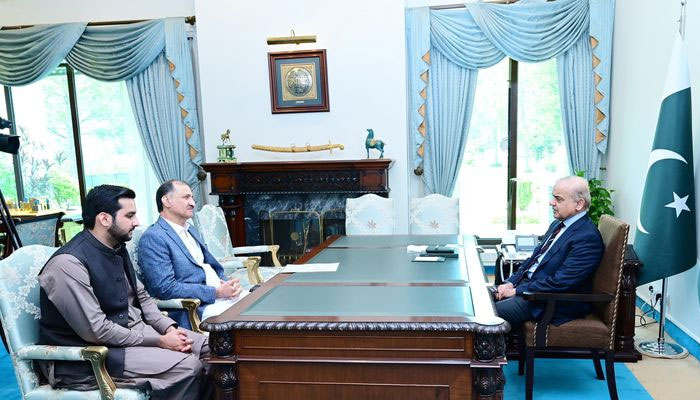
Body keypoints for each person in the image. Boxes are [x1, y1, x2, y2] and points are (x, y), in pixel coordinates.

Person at [38, 185, 210, 400]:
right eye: (129, 215)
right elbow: (96, 330)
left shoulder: (117, 246)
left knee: (212, 349)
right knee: (188, 366)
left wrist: (168, 329)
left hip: (133, 337)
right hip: (91, 356)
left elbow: (143, 297)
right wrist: (160, 341)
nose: (136, 222)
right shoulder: (68, 263)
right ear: (104, 219)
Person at [494, 175, 605, 329]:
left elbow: (561, 282)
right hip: (532, 288)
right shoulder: (557, 225)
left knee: (488, 313)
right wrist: (510, 282)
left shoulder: (587, 237)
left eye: (558, 199)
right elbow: (532, 260)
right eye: (553, 198)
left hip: (549, 301)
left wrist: (516, 291)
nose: (551, 203)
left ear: (579, 204)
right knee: (477, 298)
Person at [138, 180, 242, 330]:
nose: (193, 203)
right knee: (253, 321)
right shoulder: (154, 237)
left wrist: (226, 284)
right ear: (166, 201)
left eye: (192, 198)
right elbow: (164, 288)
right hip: (197, 308)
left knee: (260, 305)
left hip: (221, 298)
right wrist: (216, 293)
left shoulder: (191, 229)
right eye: (186, 197)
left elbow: (207, 266)